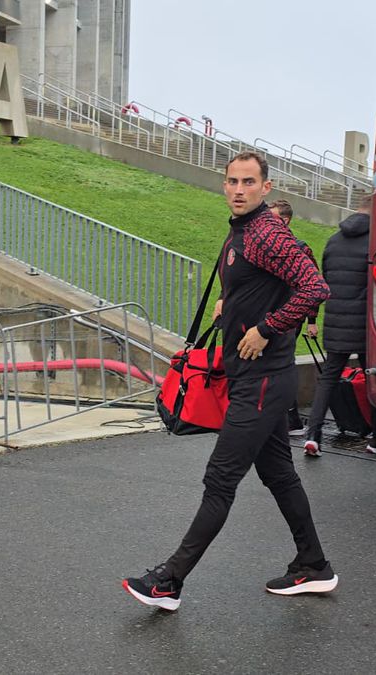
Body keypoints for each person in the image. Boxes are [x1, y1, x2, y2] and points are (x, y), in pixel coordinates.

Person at [123, 151, 336, 611]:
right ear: (224, 185)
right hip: (252, 378)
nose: (238, 189)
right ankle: (314, 565)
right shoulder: (241, 231)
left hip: (261, 381)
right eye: (231, 181)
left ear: (266, 186)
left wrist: (266, 327)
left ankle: (169, 581)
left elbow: (315, 288)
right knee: (279, 475)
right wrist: (232, 301)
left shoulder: (265, 232)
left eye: (248, 182)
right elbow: (257, 283)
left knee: (220, 480)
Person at [302, 197, 376, 457]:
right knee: (373, 377)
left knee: (328, 378)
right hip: (368, 327)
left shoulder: (333, 241)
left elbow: (325, 281)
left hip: (335, 321)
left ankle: (313, 434)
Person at [270, 199, 321, 436]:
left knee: (283, 364)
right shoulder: (264, 244)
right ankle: (281, 418)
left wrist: (311, 320)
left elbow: (314, 286)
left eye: (272, 217)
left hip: (289, 317)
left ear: (285, 220)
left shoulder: (300, 248)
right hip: (266, 316)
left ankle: (291, 420)